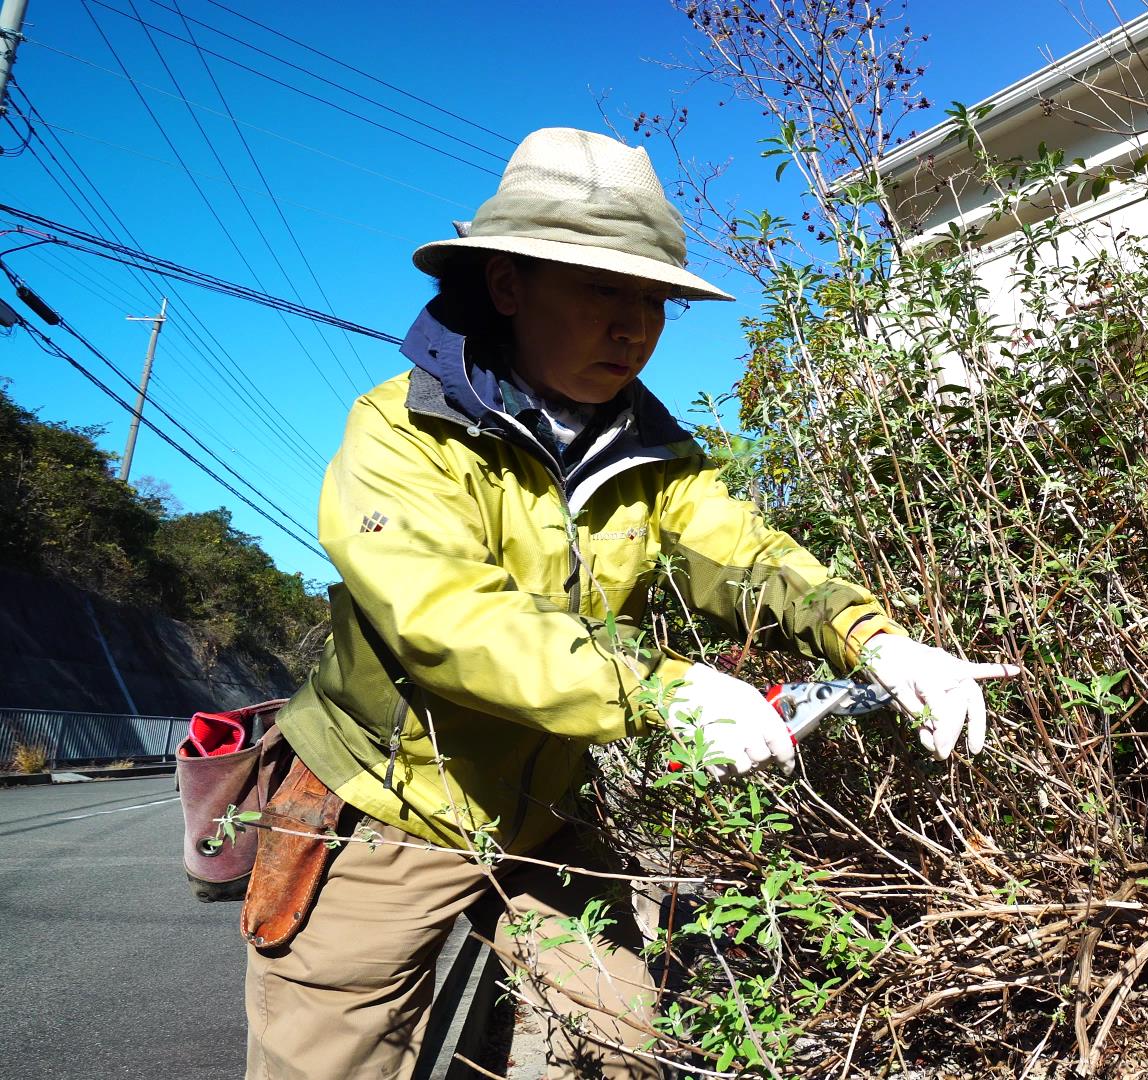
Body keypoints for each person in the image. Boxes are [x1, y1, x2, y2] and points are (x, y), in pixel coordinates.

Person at [244, 127, 1020, 1080]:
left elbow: (750, 560)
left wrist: (878, 640)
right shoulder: (403, 431)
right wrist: (663, 689)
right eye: (603, 289)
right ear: (507, 284)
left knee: (617, 1036)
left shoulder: (656, 457)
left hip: (545, 810)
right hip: (384, 801)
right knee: (330, 1056)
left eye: (653, 299)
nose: (634, 326)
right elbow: (449, 618)